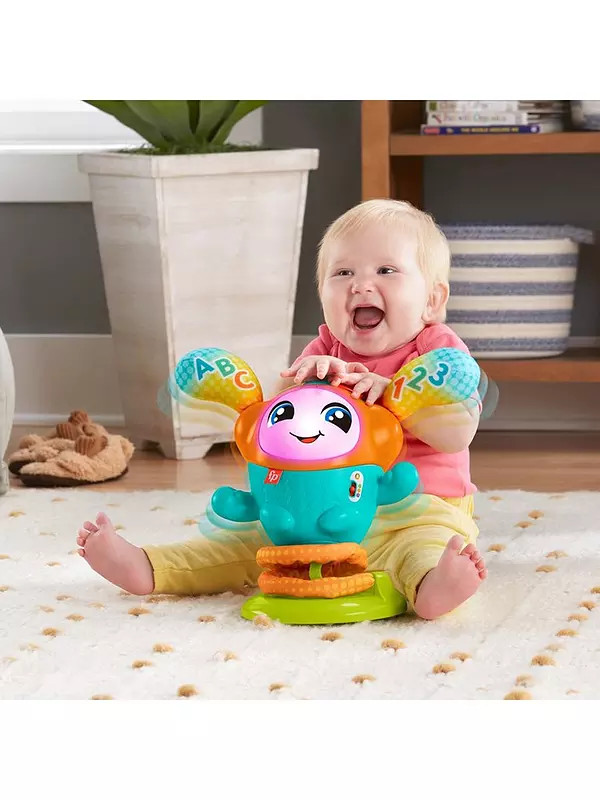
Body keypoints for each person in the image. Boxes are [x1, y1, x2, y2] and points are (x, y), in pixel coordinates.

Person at [76, 199, 486, 620]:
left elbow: (456, 434)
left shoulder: (437, 353)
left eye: (386, 270)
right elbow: (272, 421)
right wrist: (302, 385)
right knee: (242, 544)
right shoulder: (325, 351)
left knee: (421, 549)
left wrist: (395, 393)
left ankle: (433, 585)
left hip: (414, 509)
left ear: (432, 300)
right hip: (309, 514)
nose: (361, 285)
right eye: (343, 273)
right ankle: (152, 568)